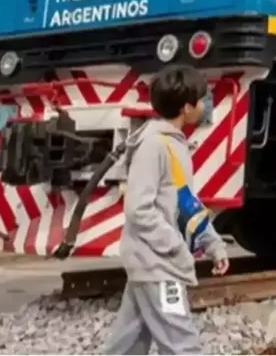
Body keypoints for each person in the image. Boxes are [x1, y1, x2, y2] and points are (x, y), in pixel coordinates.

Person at [104, 65, 230, 355]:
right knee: (183, 345)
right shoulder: (155, 146)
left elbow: (186, 203)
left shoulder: (174, 146)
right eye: (202, 98)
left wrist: (213, 244)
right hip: (159, 264)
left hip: (151, 262)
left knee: (128, 345)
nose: (205, 104)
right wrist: (174, 247)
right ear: (187, 108)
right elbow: (138, 210)